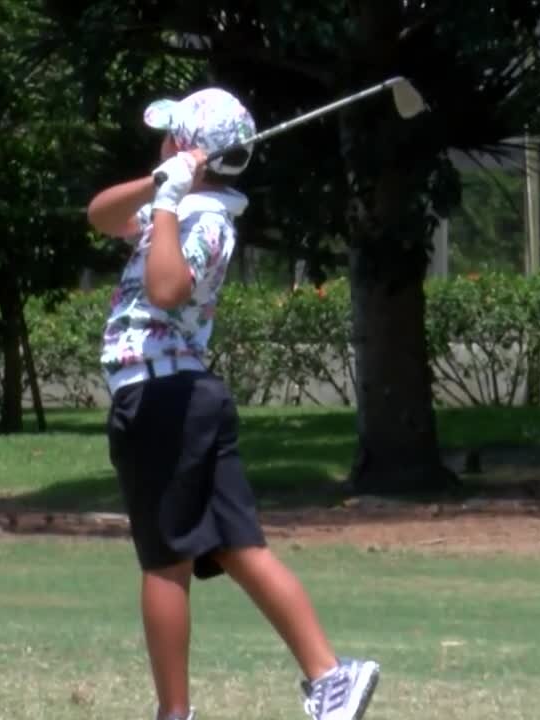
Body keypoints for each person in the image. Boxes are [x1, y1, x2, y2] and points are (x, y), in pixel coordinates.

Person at [85, 87, 380, 720]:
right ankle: (330, 675)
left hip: (160, 396)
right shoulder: (178, 206)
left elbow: (165, 289)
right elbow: (101, 216)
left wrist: (168, 200)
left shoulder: (205, 220)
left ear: (191, 150)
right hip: (185, 397)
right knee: (237, 546)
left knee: (165, 562)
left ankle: (174, 712)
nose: (158, 146)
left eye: (168, 139)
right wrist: (156, 186)